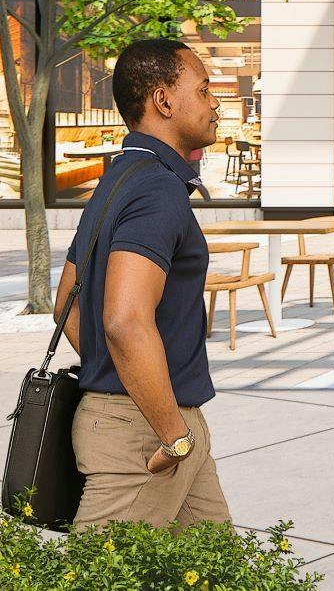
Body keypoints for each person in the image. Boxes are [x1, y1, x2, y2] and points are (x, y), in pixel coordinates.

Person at [53, 38, 227, 530]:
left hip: (157, 422)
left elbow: (66, 298)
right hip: (148, 435)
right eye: (205, 89)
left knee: (219, 575)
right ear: (164, 101)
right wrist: (170, 432)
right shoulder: (156, 187)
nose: (215, 103)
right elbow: (125, 321)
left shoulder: (124, 175)